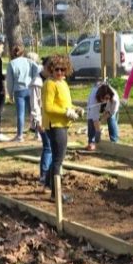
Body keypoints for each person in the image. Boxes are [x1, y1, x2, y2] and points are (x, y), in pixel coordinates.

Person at [42, 55, 83, 200]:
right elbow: (48, 107)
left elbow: (66, 104)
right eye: (57, 69)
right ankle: (56, 194)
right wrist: (66, 112)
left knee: (56, 157)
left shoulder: (63, 83)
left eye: (62, 70)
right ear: (51, 69)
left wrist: (75, 109)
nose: (60, 72)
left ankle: (47, 183)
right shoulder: (50, 84)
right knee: (58, 159)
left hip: (63, 124)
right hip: (55, 125)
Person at [6, 46, 39, 142]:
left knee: (20, 113)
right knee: (33, 111)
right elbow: (37, 70)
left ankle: (20, 136)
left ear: (12, 53)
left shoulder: (11, 64)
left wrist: (10, 94)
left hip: (18, 90)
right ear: (23, 52)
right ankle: (38, 134)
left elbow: (9, 81)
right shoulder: (29, 61)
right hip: (30, 88)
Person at [30, 56, 52, 186]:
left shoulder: (51, 80)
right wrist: (38, 121)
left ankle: (49, 174)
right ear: (44, 67)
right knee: (48, 146)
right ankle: (44, 174)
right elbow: (34, 104)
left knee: (51, 147)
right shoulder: (37, 82)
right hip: (42, 119)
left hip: (52, 119)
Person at [85, 81, 120, 151]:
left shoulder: (115, 99)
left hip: (110, 107)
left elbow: (111, 112)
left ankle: (114, 142)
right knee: (91, 119)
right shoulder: (93, 98)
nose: (105, 101)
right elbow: (94, 117)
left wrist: (101, 120)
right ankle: (91, 142)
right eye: (104, 98)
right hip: (95, 104)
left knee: (111, 119)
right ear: (99, 96)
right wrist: (98, 131)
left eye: (107, 98)